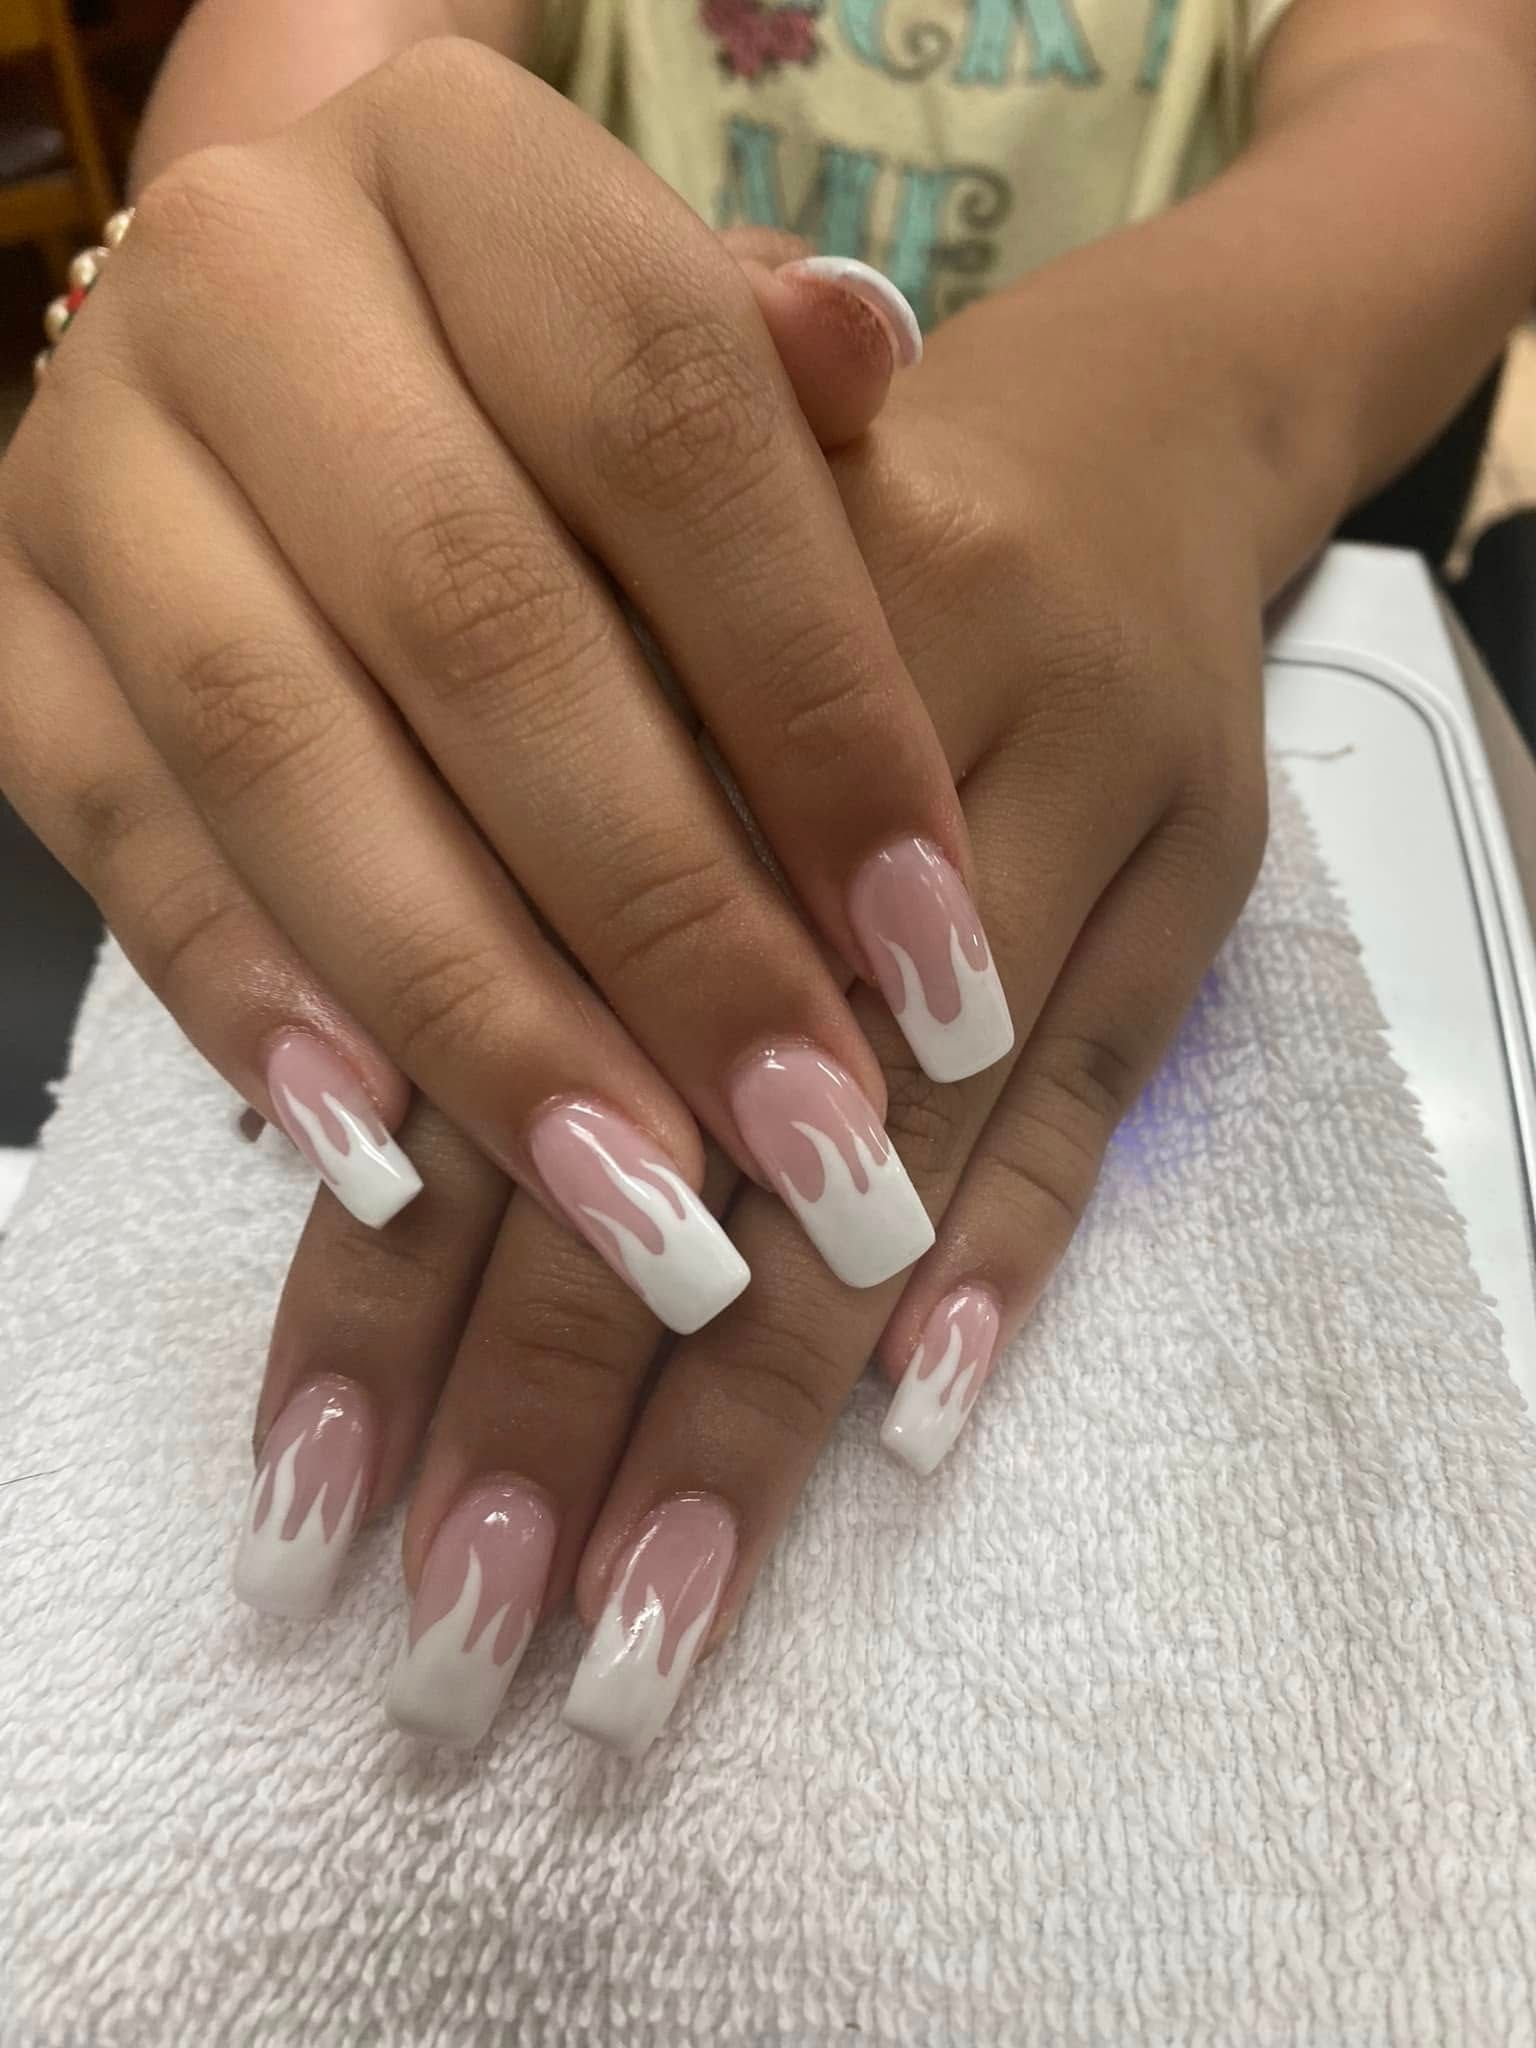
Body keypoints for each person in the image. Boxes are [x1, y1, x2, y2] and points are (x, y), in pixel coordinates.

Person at [0, 0, 1531, 1757]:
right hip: (532, 704)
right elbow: (295, 113)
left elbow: (1459, 81)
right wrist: (268, 347)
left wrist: (1159, 413)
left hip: (1088, 653)